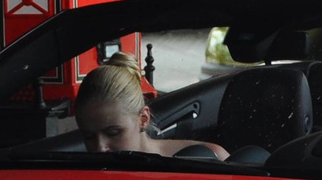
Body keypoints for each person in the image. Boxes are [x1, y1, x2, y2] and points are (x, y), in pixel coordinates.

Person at [75, 53, 228, 158]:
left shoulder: (212, 158)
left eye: (113, 132)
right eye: (89, 137)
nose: (100, 148)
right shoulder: (80, 175)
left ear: (143, 118)